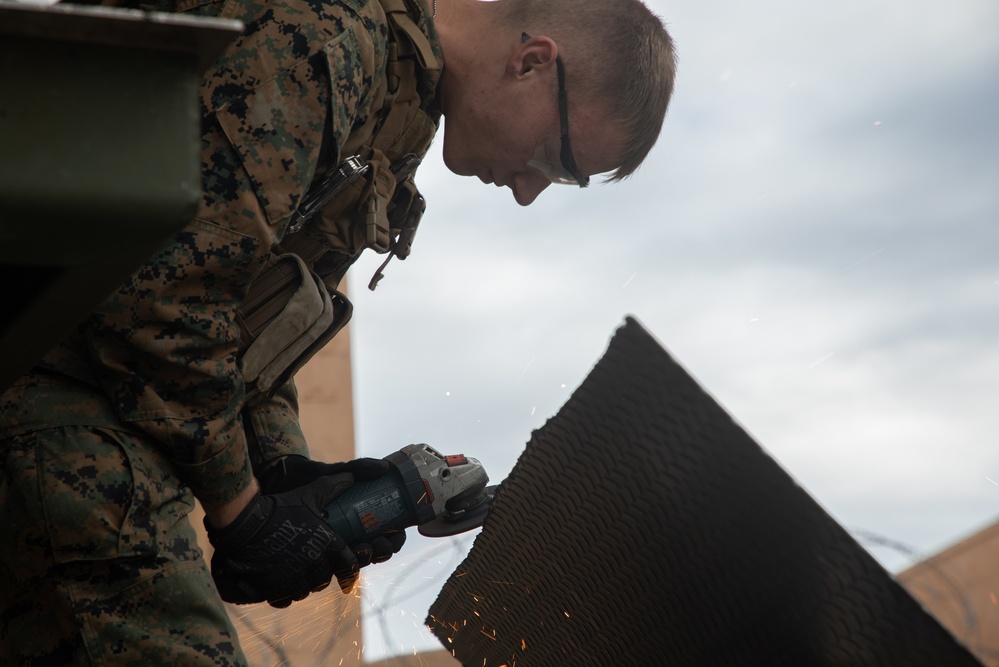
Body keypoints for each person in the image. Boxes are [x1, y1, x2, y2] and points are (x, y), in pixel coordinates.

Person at [0, 0, 677, 663]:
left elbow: (247, 310)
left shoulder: (401, 99)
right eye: (559, 162)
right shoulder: (328, 37)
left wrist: (286, 473)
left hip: (93, 397)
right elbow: (159, 300)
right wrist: (244, 510)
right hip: (45, 379)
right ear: (532, 62)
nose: (531, 191)